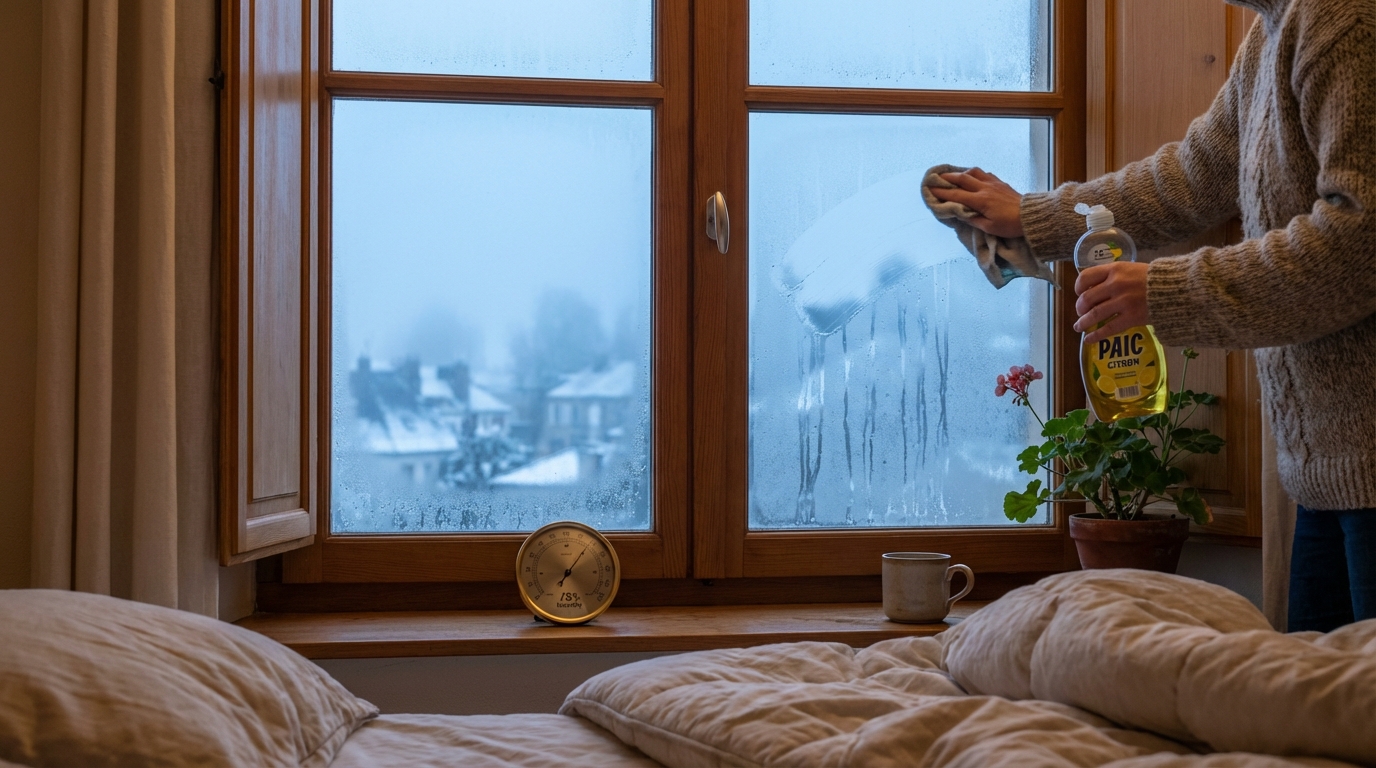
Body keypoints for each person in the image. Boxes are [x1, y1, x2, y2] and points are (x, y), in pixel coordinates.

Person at [929, 0, 1375, 632]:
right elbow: (1190, 179)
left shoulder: (1350, 20)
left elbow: (1359, 245)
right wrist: (1034, 218)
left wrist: (1161, 295)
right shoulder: (1278, 30)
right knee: (1321, 723)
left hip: (1365, 466)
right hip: (1326, 473)